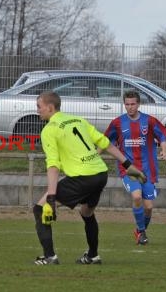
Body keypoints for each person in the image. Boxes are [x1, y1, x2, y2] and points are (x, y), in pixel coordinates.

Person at [32, 91, 147, 265]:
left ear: (49, 107)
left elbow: (53, 166)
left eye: (39, 107)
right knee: (86, 212)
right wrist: (127, 165)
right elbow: (105, 142)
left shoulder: (50, 130)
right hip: (100, 174)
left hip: (83, 177)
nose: (37, 110)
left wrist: (51, 198)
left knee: (40, 209)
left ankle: (49, 257)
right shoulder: (78, 120)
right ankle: (93, 255)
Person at [104, 90, 166, 245]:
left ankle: (140, 231)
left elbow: (162, 136)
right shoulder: (118, 123)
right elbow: (106, 140)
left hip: (148, 169)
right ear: (124, 105)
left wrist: (164, 150)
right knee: (137, 197)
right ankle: (141, 233)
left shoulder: (150, 121)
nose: (130, 107)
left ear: (138, 104)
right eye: (127, 104)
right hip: (128, 169)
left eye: (133, 104)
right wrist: (95, 154)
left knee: (148, 207)